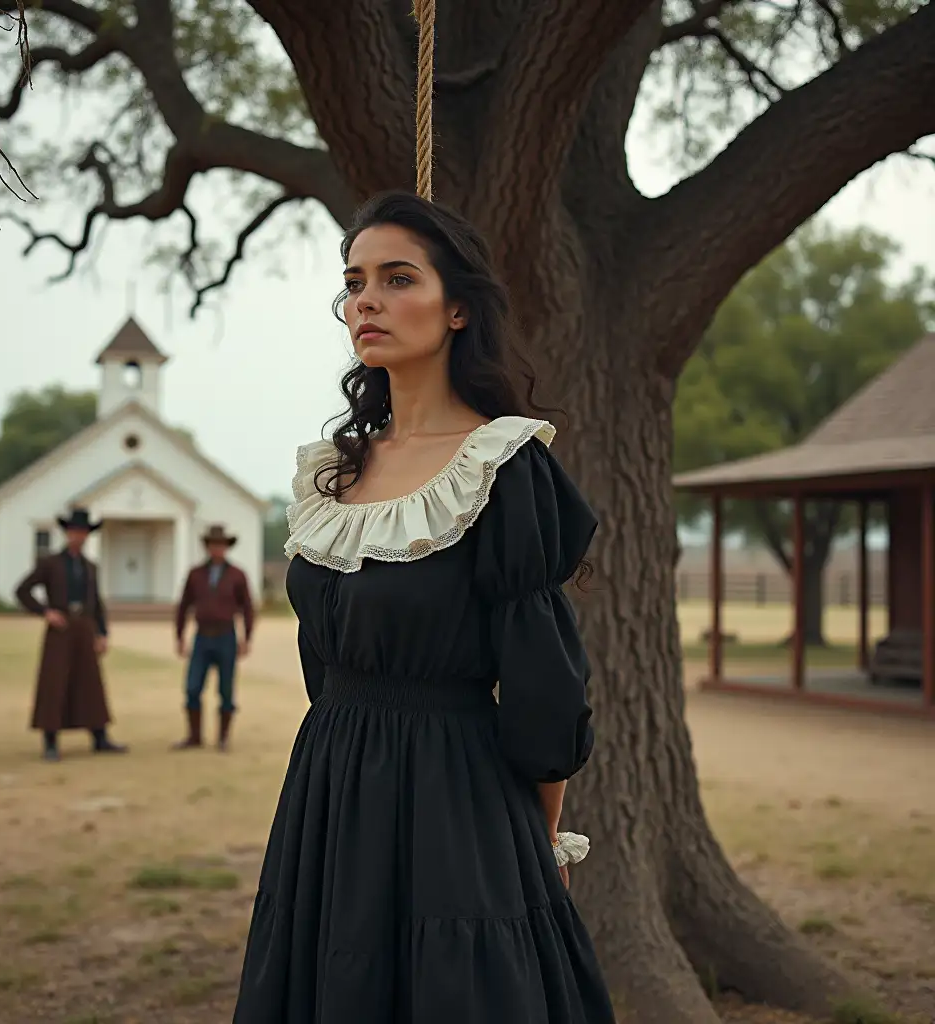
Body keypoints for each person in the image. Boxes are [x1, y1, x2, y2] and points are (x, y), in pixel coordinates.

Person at [231, 192, 615, 1022]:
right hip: (330, 795)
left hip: (457, 801)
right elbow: (323, 665)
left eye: (397, 279)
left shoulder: (502, 465)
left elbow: (544, 687)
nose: (365, 301)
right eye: (354, 281)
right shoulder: (335, 470)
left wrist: (543, 842)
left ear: (459, 309)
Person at [15, 507, 128, 762]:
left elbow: (96, 602)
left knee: (90, 683)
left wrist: (102, 633)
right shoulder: (51, 564)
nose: (79, 536)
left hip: (84, 627)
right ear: (67, 533)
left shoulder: (90, 567)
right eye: (75, 532)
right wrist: (45, 611)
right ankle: (51, 742)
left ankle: (100, 737)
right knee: (55, 684)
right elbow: (22, 590)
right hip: (61, 628)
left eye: (83, 532)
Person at [173, 524, 255, 751]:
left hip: (226, 636)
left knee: (226, 690)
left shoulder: (237, 575)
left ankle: (223, 738)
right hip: (202, 637)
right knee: (192, 687)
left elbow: (247, 608)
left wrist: (246, 637)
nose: (217, 549)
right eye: (213, 545)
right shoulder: (195, 574)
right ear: (207, 547)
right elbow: (183, 606)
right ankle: (194, 736)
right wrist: (180, 635)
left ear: (226, 547)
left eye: (221, 545)